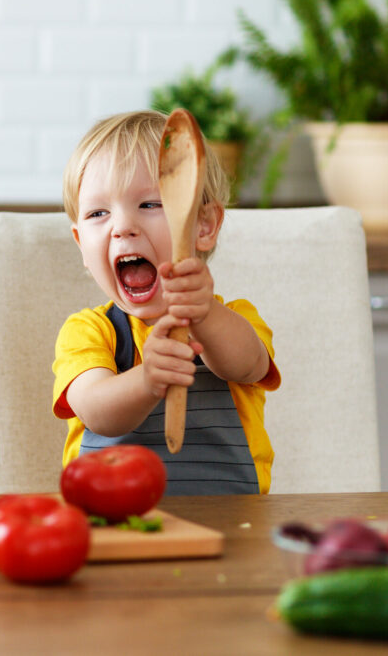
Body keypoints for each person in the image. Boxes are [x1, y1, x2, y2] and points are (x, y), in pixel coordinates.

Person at [52, 110, 280, 495]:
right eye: (98, 213)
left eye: (150, 204)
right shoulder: (89, 331)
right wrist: (147, 379)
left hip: (232, 522)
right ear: (81, 246)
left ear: (204, 226)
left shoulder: (235, 318)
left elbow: (247, 365)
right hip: (113, 521)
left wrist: (203, 313)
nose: (122, 226)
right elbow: (95, 410)